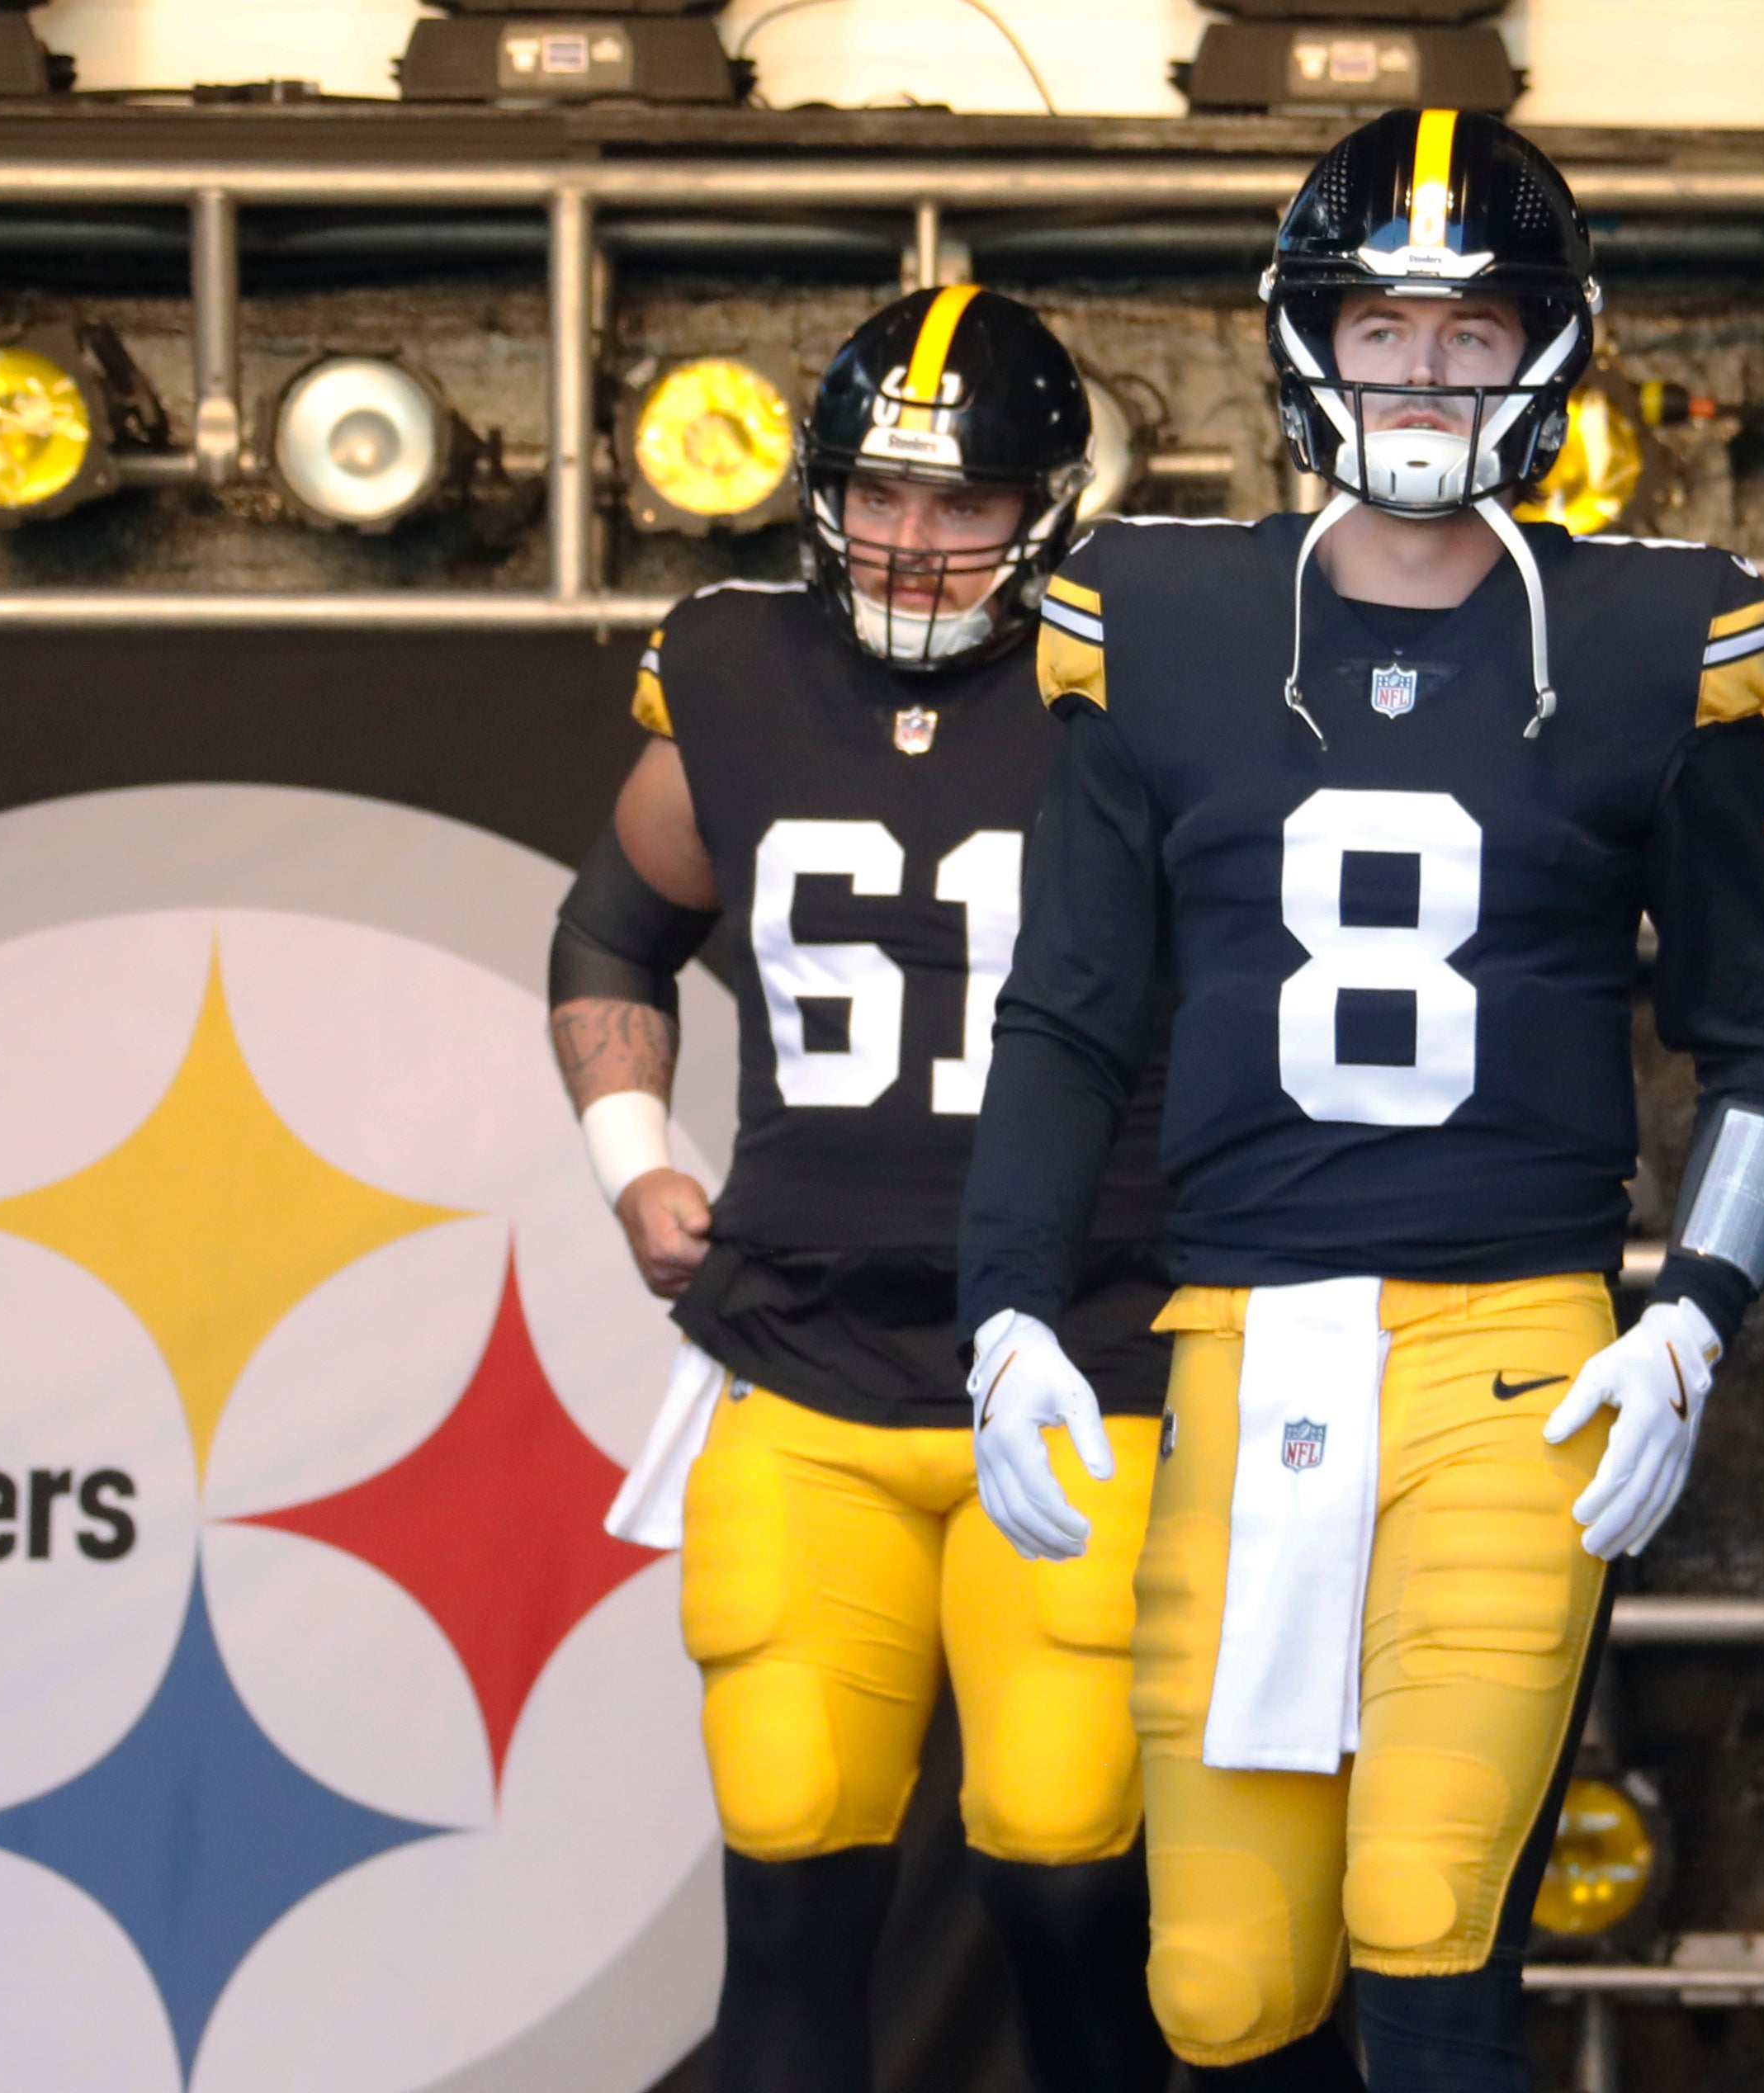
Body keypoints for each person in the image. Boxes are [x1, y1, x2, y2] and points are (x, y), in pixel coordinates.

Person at [956, 110, 1764, 2093]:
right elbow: (1067, 1018)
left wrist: (1693, 1309)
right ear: (1309, 344)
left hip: (1520, 1357)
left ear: (1545, 347)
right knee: (1225, 1988)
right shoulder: (1159, 621)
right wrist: (1006, 1301)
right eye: (1382, 326)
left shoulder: (1653, 633)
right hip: (1244, 1348)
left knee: (1428, 1929)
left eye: (1470, 326)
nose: (1421, 374)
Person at [549, 285, 1175, 2093]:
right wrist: (629, 1155)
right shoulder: (737, 663)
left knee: (1064, 1864)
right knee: (795, 1840)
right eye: (879, 495)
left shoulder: (1139, 673)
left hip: (1084, 1356)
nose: (909, 544)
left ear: (1049, 504)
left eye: (961, 502)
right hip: (804, 1356)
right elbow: (617, 923)